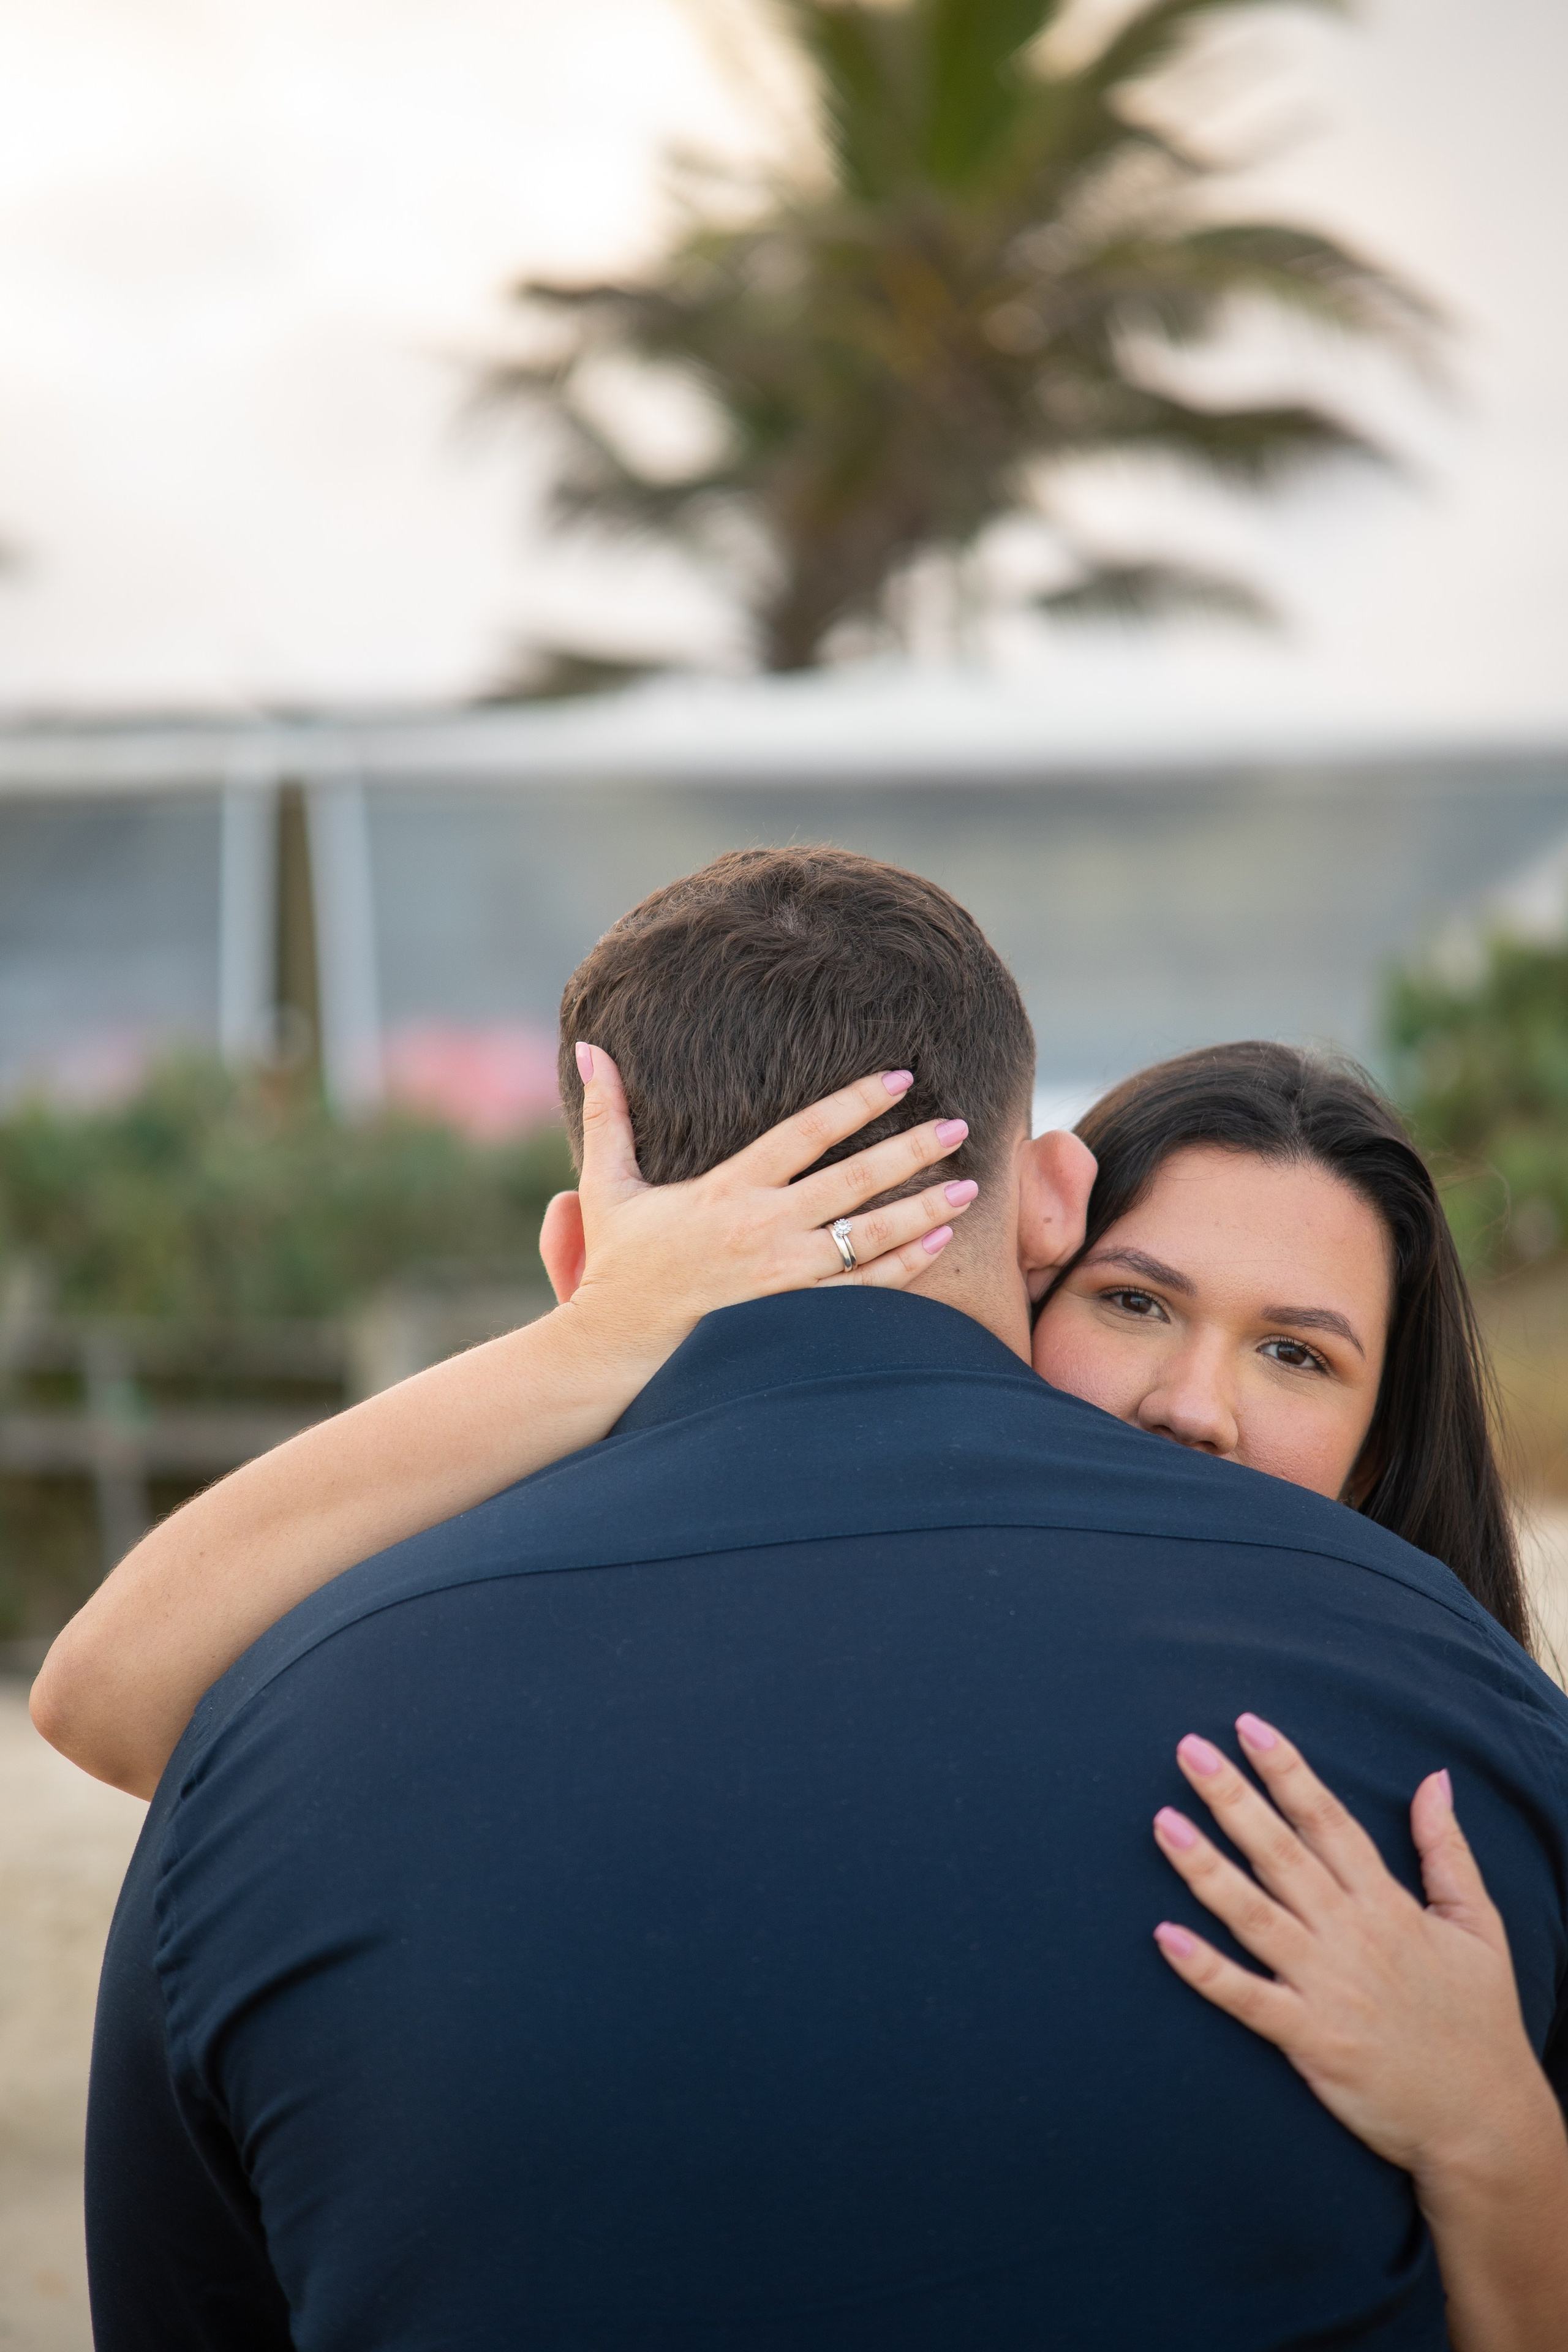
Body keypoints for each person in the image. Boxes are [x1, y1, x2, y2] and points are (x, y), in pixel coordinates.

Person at [50, 848, 1568, 2350]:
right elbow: (102, 1693)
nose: (1190, 1406)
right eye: (1133, 1301)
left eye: (1295, 1353)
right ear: (1051, 1210)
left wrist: (1495, 2132)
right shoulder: (1460, 1725)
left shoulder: (294, 1738)